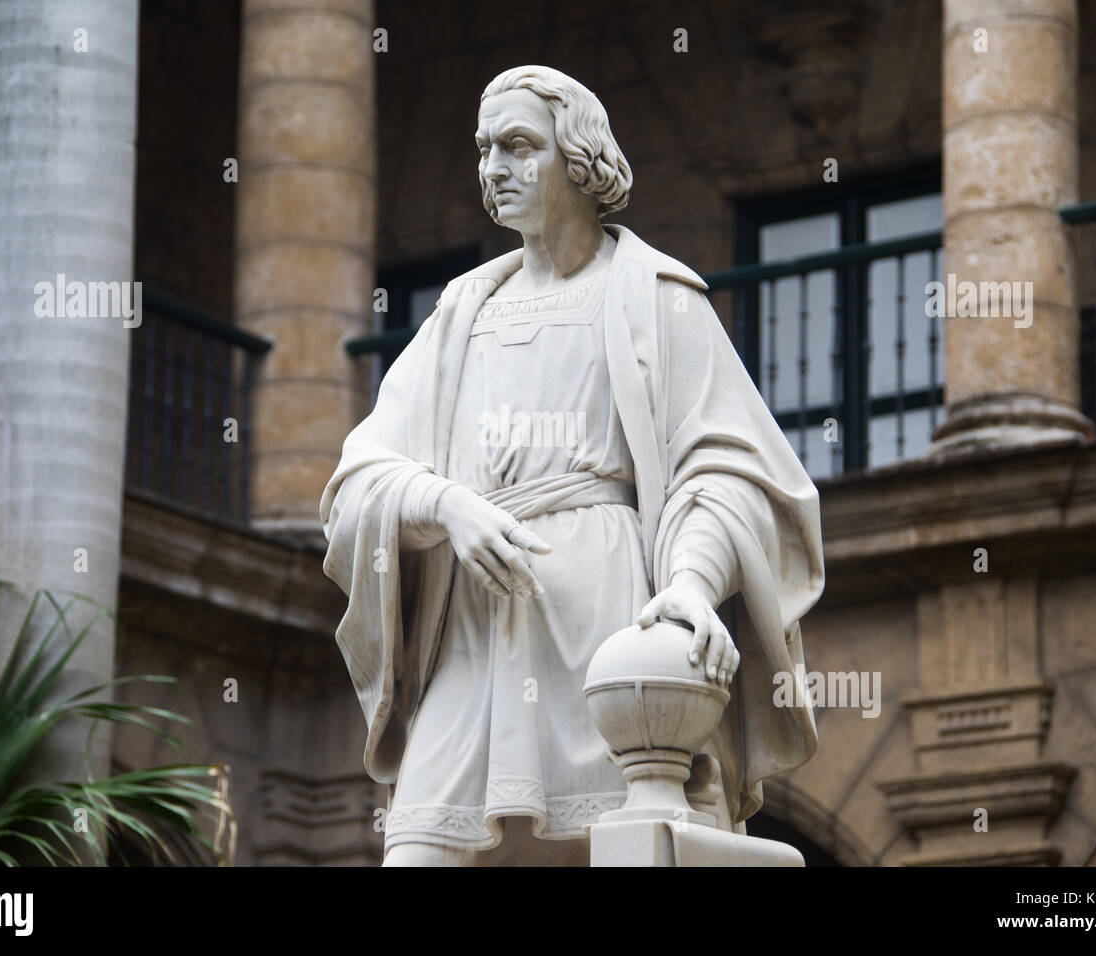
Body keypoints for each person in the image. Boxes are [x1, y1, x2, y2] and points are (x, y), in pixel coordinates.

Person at [321, 65, 825, 866]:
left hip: (612, 620)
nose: (495, 169)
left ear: (580, 158)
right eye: (485, 150)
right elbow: (354, 488)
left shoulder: (658, 298)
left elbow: (729, 472)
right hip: (476, 636)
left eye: (519, 146)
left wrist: (692, 583)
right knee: (417, 848)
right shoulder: (461, 315)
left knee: (621, 843)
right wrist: (444, 504)